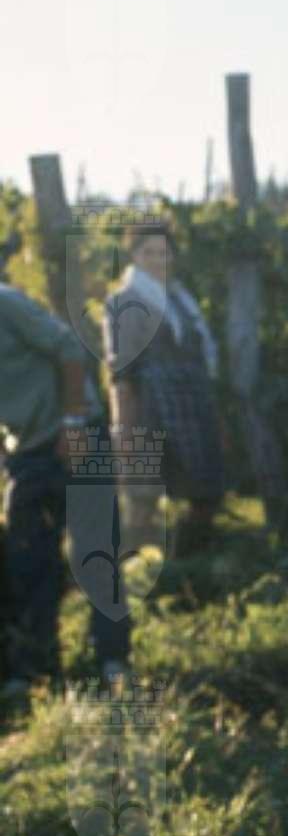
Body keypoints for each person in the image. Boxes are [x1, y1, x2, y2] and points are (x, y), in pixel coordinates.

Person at [1, 282, 128, 695]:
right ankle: (37, 671)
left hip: (78, 432)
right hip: (26, 451)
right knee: (27, 558)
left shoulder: (5, 303)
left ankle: (112, 660)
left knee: (95, 552)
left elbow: (69, 348)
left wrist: (73, 423)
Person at [102, 217, 227, 564]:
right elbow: (121, 371)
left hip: (192, 403)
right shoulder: (125, 300)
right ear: (134, 256)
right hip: (149, 405)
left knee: (205, 491)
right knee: (143, 497)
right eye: (149, 252)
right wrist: (124, 429)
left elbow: (201, 359)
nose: (159, 259)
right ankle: (127, 572)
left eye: (164, 252)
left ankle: (183, 566)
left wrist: (215, 415)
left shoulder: (181, 300)